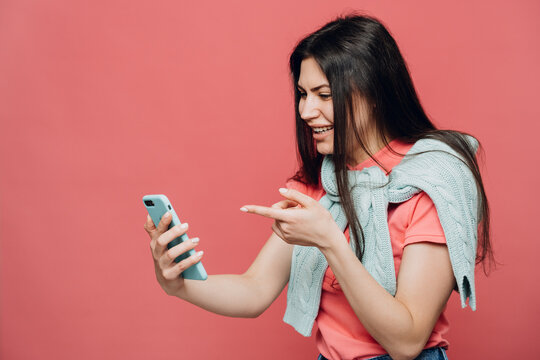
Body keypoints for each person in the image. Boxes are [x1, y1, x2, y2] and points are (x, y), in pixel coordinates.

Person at [144, 13, 493, 360]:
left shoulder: (433, 181)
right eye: (303, 94)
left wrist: (328, 240)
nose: (307, 110)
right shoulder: (320, 184)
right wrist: (179, 285)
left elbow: (406, 342)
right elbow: (254, 291)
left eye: (324, 95)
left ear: (373, 93)